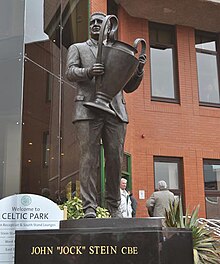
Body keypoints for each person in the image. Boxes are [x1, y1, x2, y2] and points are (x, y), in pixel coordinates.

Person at [65, 12, 146, 218]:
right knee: (88, 159)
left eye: (99, 22)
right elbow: (70, 72)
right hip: (87, 109)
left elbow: (128, 88)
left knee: (115, 160)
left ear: (108, 27)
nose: (94, 25)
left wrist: (138, 70)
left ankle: (114, 207)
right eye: (91, 22)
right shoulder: (78, 48)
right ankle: (89, 208)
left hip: (116, 111)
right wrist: (89, 71)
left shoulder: (119, 51)